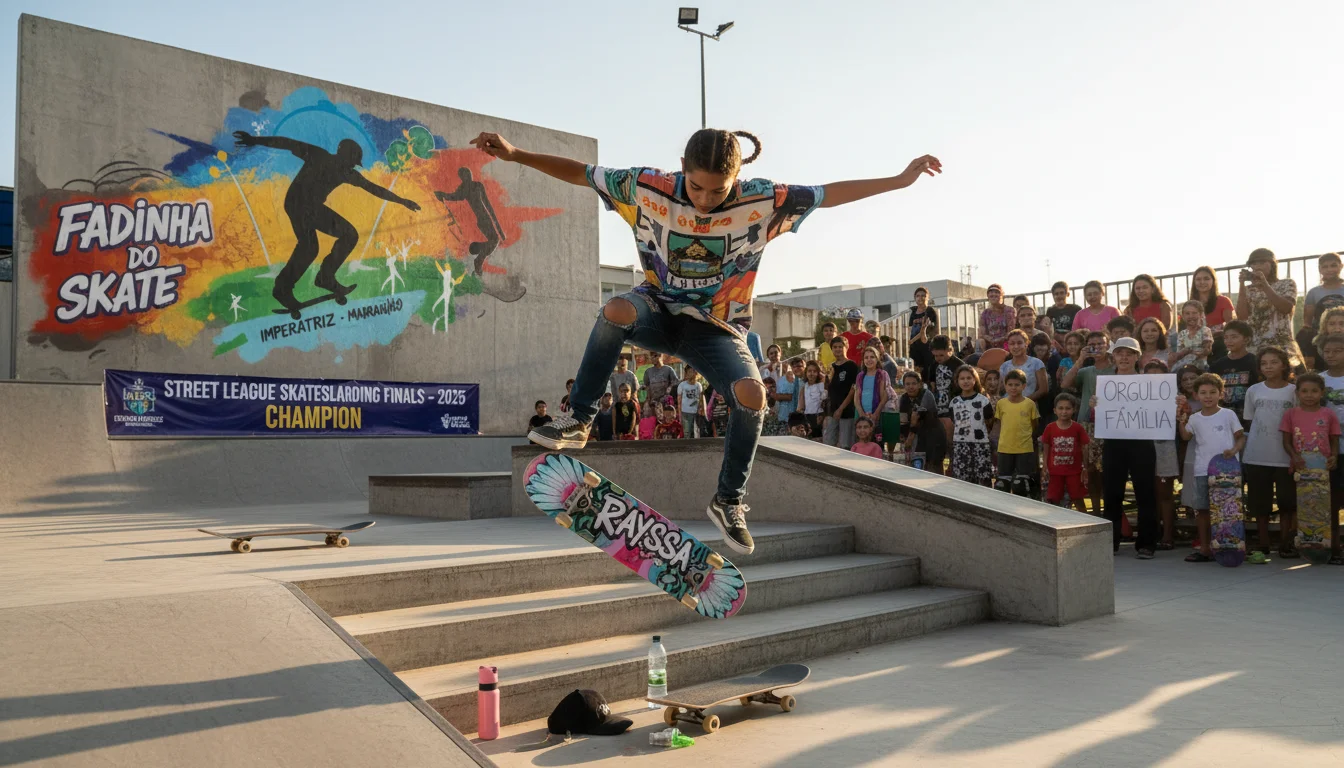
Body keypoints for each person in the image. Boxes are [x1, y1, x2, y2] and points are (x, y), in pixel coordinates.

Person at [498, 122, 940, 552]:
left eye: (719, 190)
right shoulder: (646, 186)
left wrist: (900, 180)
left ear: (737, 179)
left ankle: (728, 500)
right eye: (696, 188)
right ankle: (579, 419)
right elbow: (580, 172)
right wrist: (517, 154)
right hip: (657, 312)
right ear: (681, 169)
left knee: (752, 395)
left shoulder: (765, 198)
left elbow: (829, 194)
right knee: (615, 310)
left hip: (719, 328)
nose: (706, 200)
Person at [231, 131, 422, 313]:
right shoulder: (318, 155)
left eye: (354, 165)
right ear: (342, 155)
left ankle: (325, 277)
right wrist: (254, 140)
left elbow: (374, 189)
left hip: (313, 208)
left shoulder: (347, 173)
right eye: (352, 162)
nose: (353, 167)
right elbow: (286, 142)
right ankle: (283, 288)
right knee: (309, 247)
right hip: (297, 203)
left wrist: (403, 201)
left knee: (348, 235)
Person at [1090, 337, 1160, 557]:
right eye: (1120, 353)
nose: (1124, 357)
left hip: (1142, 443)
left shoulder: (1150, 384)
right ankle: (1110, 542)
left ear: (1137, 357)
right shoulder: (1105, 384)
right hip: (1114, 443)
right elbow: (1098, 418)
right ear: (1113, 357)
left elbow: (1158, 411)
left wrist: (1172, 403)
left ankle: (1147, 543)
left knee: (1145, 492)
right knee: (1111, 493)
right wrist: (1095, 407)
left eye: (1129, 353)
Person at [1179, 373, 1247, 563]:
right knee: (1203, 510)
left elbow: (1241, 436)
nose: (1208, 396)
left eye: (1212, 392)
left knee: (1229, 509)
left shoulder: (1228, 415)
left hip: (1227, 470)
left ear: (1221, 394)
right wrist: (1181, 422)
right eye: (1203, 393)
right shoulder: (1194, 418)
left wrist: (1233, 450)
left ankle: (1230, 544)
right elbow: (1185, 437)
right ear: (1196, 395)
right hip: (1203, 470)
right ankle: (1205, 548)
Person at [1242, 347, 1298, 561]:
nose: (1269, 367)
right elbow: (1250, 419)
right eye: (1264, 363)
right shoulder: (1254, 391)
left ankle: (1286, 542)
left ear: (1284, 364)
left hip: (1285, 456)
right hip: (1257, 454)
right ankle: (1263, 542)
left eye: (1273, 362)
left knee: (1287, 501)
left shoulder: (1294, 391)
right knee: (1259, 503)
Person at [1061, 329, 1112, 514]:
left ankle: (1111, 511)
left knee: (1108, 470)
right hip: (1087, 423)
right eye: (1093, 345)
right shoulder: (1086, 370)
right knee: (1090, 470)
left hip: (1112, 424)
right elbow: (1065, 384)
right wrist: (1080, 359)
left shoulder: (1115, 369)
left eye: (1101, 344)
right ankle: (1096, 511)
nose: (1097, 347)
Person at [1237, 248, 1304, 370]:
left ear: (1272, 264)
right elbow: (1242, 317)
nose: (1257, 266)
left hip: (1281, 344)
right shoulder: (1249, 289)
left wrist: (1264, 285)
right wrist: (1242, 284)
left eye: (1262, 262)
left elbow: (1286, 308)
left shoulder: (1287, 283)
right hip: (1255, 346)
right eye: (1254, 263)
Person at [1144, 359, 1180, 550]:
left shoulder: (1175, 397)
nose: (1155, 379)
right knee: (1148, 493)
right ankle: (1153, 532)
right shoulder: (1136, 394)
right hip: (1142, 449)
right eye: (1150, 375)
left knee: (1164, 493)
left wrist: (1181, 407)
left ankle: (1167, 534)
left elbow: (1183, 419)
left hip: (1165, 448)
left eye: (1159, 374)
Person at [1317, 334, 1344, 563]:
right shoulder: (1318, 381)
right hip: (1327, 451)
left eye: (1337, 350)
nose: (1331, 355)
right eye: (1327, 351)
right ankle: (1333, 546)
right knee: (1331, 500)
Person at [1042, 392, 1090, 513]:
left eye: (1068, 408)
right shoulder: (1050, 428)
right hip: (1055, 472)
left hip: (1074, 471)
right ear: (1055, 410)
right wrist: (1045, 466)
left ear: (1074, 410)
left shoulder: (1078, 428)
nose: (1064, 411)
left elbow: (1085, 447)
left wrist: (1085, 468)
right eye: (1061, 408)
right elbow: (1046, 447)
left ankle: (1086, 523)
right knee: (1053, 500)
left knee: (1077, 498)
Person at [994, 369, 1039, 497]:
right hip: (1005, 448)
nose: (1013, 388)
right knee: (1003, 484)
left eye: (1017, 385)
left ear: (1023, 386)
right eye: (1010, 385)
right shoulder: (1001, 404)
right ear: (1005, 385)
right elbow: (999, 424)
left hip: (1024, 449)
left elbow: (1034, 425)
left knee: (1021, 484)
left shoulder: (1029, 404)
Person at [949, 365, 994, 486]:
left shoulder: (984, 401)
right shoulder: (954, 403)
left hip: (981, 445)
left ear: (975, 380)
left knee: (983, 479)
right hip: (960, 445)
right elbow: (954, 423)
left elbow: (989, 422)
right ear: (957, 381)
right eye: (962, 378)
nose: (966, 381)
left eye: (969, 378)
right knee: (963, 481)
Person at [1210, 320, 1260, 425]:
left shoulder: (1256, 363)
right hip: (1223, 420)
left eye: (1234, 337)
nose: (1229, 341)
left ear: (1246, 339)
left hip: (1248, 420)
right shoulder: (1217, 365)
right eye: (1226, 337)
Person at [1300, 253, 1344, 370]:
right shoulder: (1314, 293)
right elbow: (1307, 324)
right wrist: (1309, 352)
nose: (1329, 270)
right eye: (1325, 267)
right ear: (1320, 269)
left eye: (1333, 265)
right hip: (1323, 345)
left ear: (1341, 266)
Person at [899, 371, 945, 473]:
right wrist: (905, 439)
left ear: (920, 384)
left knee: (933, 466)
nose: (911, 387)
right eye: (907, 384)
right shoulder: (903, 399)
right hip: (914, 434)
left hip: (931, 433)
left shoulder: (926, 395)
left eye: (914, 383)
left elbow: (917, 419)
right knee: (915, 466)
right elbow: (903, 421)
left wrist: (909, 439)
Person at [926, 335, 966, 450]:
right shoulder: (934, 365)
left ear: (950, 350)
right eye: (935, 355)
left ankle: (953, 458)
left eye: (941, 355)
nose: (938, 358)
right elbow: (932, 384)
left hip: (955, 403)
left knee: (952, 435)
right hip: (940, 403)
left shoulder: (959, 365)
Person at [1189, 265, 1236, 360]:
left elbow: (1231, 327)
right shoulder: (1190, 304)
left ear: (1213, 281)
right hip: (1195, 345)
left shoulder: (1224, 301)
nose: (1202, 282)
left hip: (1218, 344)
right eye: (1198, 279)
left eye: (1206, 279)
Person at [998, 330, 1050, 415]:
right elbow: (1001, 390)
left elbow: (1043, 389)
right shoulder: (1004, 366)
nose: (1016, 346)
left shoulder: (1036, 363)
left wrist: (1022, 402)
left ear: (1026, 343)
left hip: (1028, 409)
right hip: (1008, 409)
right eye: (1012, 343)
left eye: (1019, 343)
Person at [825, 337, 861, 450]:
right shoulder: (831, 367)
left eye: (840, 347)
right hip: (832, 411)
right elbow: (828, 389)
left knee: (845, 445)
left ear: (846, 347)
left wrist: (841, 408)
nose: (837, 349)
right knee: (828, 443)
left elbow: (853, 389)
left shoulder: (852, 366)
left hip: (847, 411)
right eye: (835, 347)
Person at [854, 347, 891, 441]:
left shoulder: (882, 374)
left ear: (877, 359)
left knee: (877, 441)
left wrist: (876, 414)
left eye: (872, 357)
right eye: (866, 357)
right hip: (862, 415)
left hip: (877, 414)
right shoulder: (860, 376)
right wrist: (861, 414)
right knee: (863, 442)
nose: (869, 360)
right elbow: (856, 398)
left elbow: (884, 396)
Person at [1167, 300, 1214, 371]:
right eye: (1187, 313)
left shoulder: (1205, 330)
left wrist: (1190, 351)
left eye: (1194, 313)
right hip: (1184, 367)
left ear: (1201, 315)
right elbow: (1179, 353)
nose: (1191, 316)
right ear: (1183, 316)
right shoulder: (1182, 334)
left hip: (1200, 366)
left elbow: (1207, 349)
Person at [907, 286, 939, 371]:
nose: (920, 298)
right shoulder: (913, 312)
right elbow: (910, 329)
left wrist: (912, 340)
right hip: (914, 348)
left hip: (927, 347)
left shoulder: (930, 311)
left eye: (923, 295)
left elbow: (932, 331)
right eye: (917, 296)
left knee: (927, 371)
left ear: (927, 297)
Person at [978, 284, 1016, 351]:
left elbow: (1011, 331)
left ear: (1001, 295)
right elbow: (982, 333)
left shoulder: (1009, 310)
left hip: (1006, 342)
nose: (993, 294)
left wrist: (999, 339)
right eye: (991, 292)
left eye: (996, 292)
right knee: (980, 341)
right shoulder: (985, 313)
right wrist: (991, 340)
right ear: (988, 296)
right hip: (990, 343)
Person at [1046, 281, 1082, 351]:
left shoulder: (1076, 309)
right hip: (1056, 343)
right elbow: (1049, 329)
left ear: (1067, 294)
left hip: (1073, 342)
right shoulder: (1050, 310)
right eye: (1056, 294)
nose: (1059, 296)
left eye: (1062, 293)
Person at [801, 360, 827, 440]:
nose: (811, 373)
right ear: (806, 372)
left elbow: (824, 399)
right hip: (807, 416)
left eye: (814, 371)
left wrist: (822, 415)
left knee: (818, 438)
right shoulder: (805, 386)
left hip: (818, 415)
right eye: (809, 371)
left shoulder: (820, 385)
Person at [773, 358, 799, 425]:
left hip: (790, 413)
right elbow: (776, 396)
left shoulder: (792, 377)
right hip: (781, 414)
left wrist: (778, 396)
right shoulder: (780, 379)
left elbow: (789, 397)